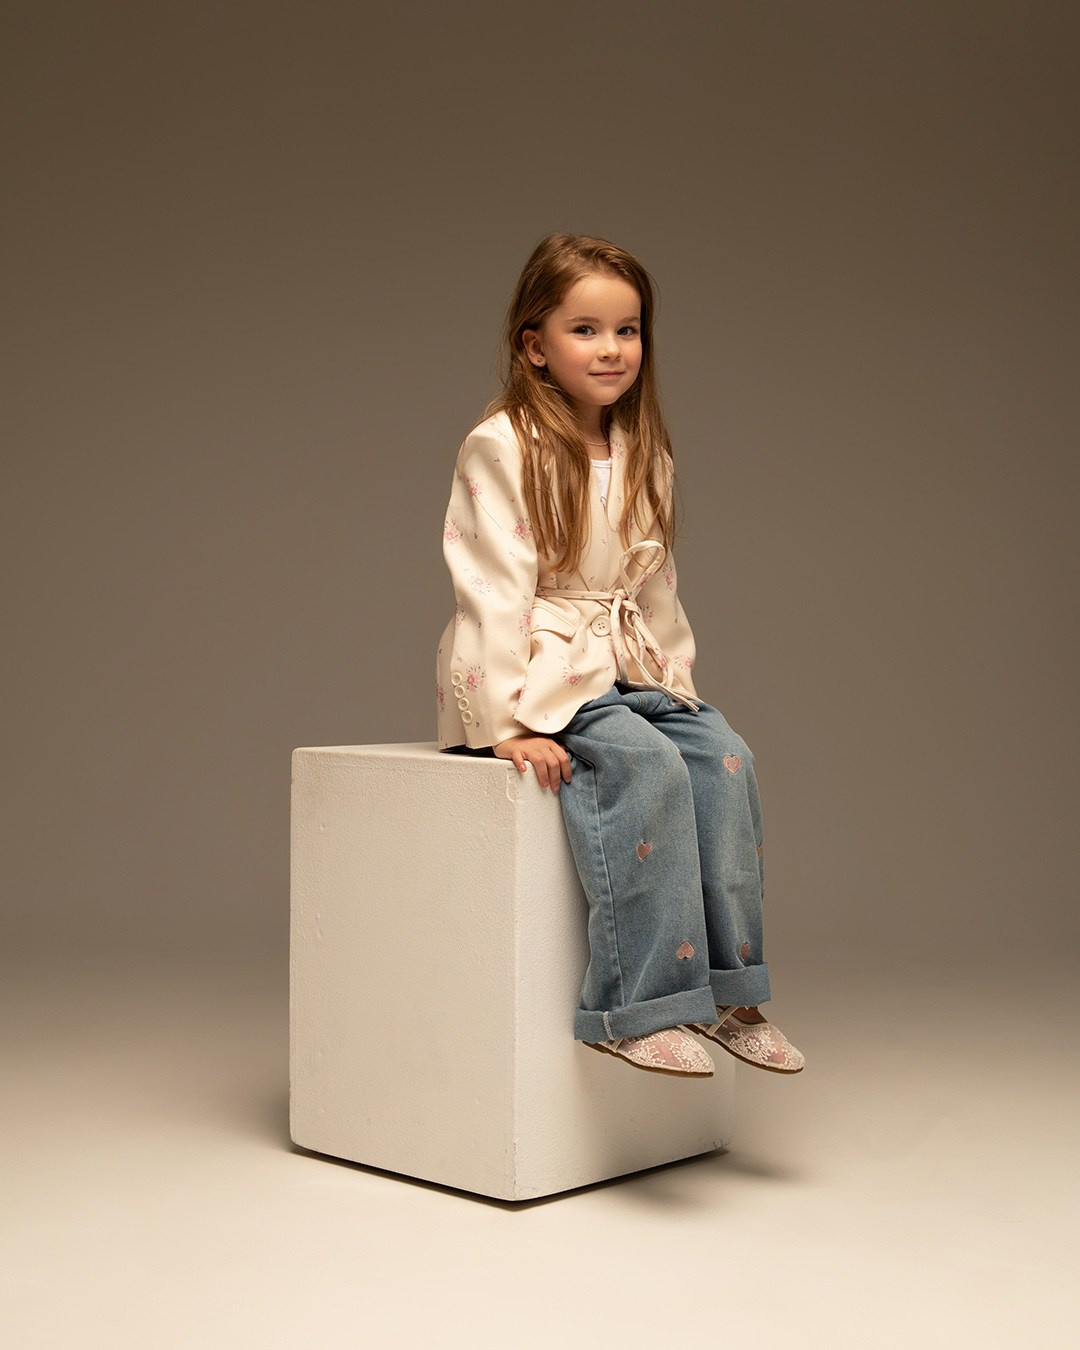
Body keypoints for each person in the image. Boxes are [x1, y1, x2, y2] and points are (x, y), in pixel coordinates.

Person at [435, 233, 804, 1079]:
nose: (611, 349)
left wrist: (676, 687)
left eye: (627, 330)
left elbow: (654, 586)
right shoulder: (503, 444)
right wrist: (503, 724)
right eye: (586, 330)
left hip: (628, 664)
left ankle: (731, 993)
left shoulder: (646, 454)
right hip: (542, 666)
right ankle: (634, 1007)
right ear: (535, 345)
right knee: (645, 768)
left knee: (724, 760)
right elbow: (491, 587)